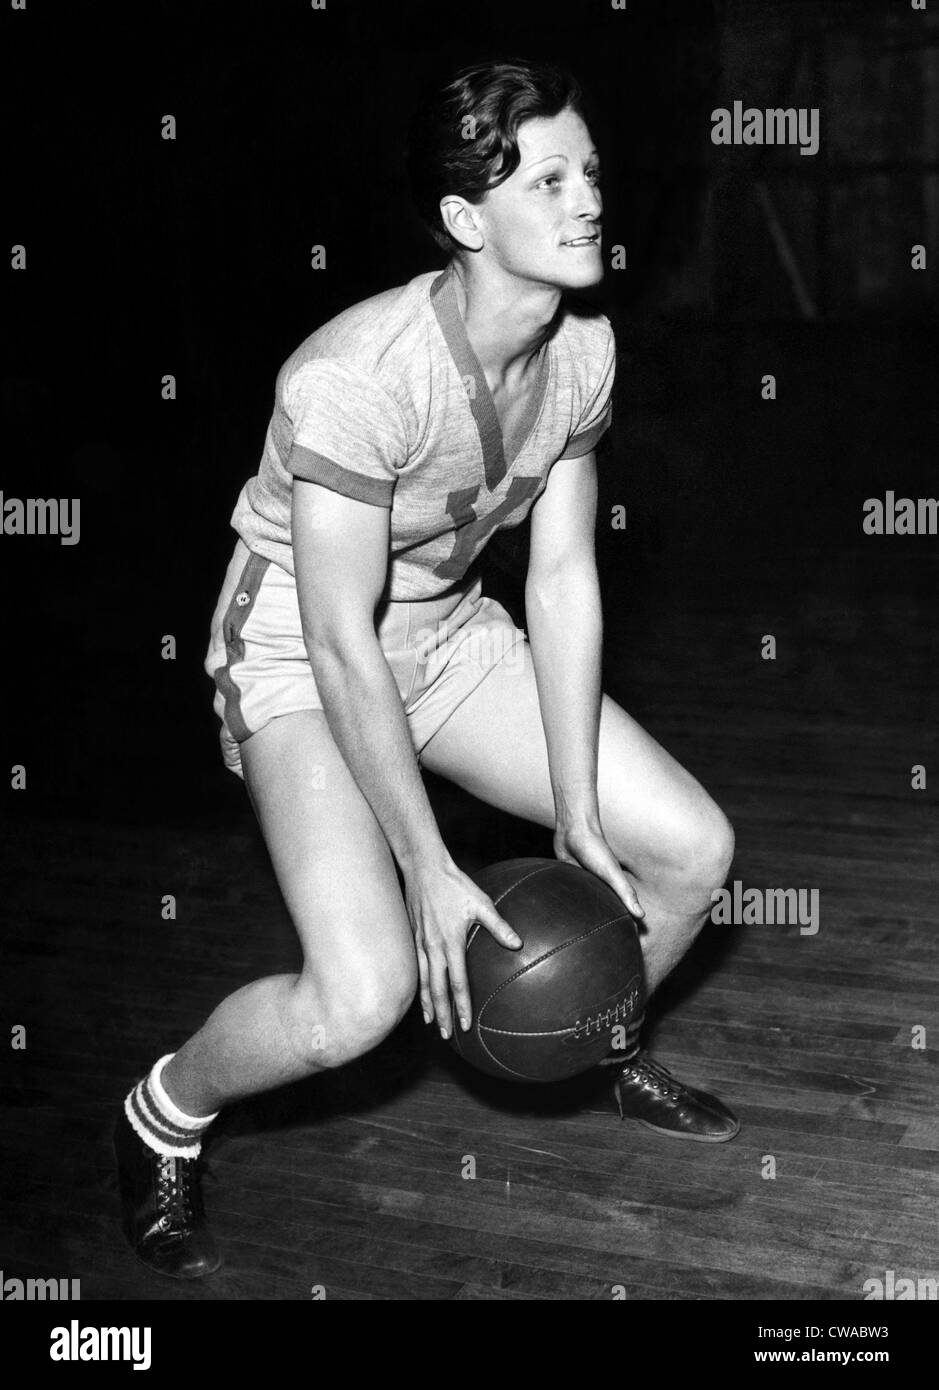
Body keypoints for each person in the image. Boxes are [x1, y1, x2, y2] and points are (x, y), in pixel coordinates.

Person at [114, 57, 738, 1281]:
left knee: (690, 853)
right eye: (549, 178)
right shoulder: (359, 376)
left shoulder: (583, 355)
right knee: (360, 999)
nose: (589, 198)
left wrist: (572, 808)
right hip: (301, 654)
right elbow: (341, 638)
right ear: (465, 220)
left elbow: (560, 580)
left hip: (445, 636)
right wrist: (430, 865)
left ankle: (597, 1035)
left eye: (592, 170)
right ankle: (164, 1109)